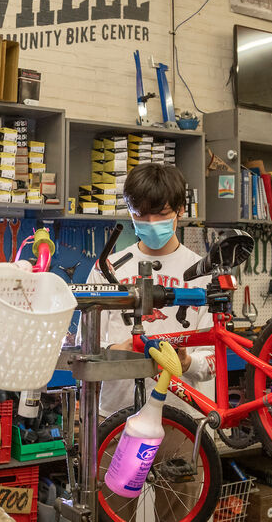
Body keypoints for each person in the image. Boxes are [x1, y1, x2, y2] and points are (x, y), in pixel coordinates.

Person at [86, 163, 214, 419]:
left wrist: (187, 362)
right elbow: (85, 345)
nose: (151, 223)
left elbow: (214, 359)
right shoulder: (107, 268)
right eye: (141, 215)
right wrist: (116, 352)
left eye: (161, 214)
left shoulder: (203, 274)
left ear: (180, 209)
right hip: (117, 416)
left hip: (184, 416)